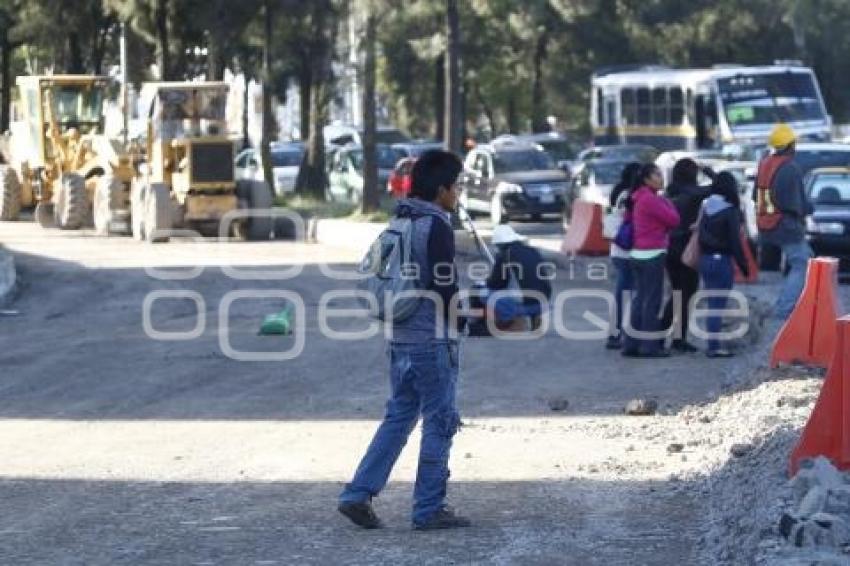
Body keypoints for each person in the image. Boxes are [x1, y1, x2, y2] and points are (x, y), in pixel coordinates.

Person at [338, 150, 470, 531]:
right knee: (440, 421)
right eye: (456, 186)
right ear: (442, 189)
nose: (458, 193)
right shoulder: (437, 226)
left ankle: (357, 493)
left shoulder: (402, 217)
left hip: (400, 336)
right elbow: (444, 285)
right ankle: (429, 508)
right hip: (432, 339)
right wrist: (463, 322)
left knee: (398, 417)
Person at [755, 123, 814, 318]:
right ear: (790, 145)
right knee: (802, 264)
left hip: (767, 224)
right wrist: (809, 210)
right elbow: (797, 204)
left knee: (808, 258)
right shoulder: (790, 168)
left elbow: (758, 195)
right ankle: (784, 309)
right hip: (785, 225)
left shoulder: (765, 163)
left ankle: (797, 302)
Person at [622, 163, 680, 358]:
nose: (661, 178)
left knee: (640, 300)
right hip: (653, 253)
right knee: (652, 302)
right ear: (646, 179)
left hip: (637, 253)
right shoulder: (651, 200)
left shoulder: (636, 197)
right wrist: (668, 202)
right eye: (657, 174)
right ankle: (649, 346)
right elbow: (674, 220)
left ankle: (631, 343)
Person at [698, 172, 750, 357]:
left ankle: (712, 343)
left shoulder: (706, 206)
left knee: (712, 303)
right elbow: (735, 242)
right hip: (722, 261)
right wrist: (744, 265)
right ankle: (714, 347)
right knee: (717, 305)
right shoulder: (731, 210)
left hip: (705, 260)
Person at [661, 158, 710, 353]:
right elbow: (722, 187)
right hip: (686, 247)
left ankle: (663, 335)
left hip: (668, 247)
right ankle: (674, 336)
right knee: (687, 293)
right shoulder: (693, 193)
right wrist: (709, 171)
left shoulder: (669, 192)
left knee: (676, 292)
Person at [484, 224, 552, 331]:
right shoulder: (532, 251)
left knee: (485, 294)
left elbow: (496, 284)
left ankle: (512, 320)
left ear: (500, 244)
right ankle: (535, 315)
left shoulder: (505, 255)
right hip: (544, 301)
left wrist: (486, 282)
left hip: (526, 304)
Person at [605, 162, 641, 349]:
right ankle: (619, 333)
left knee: (623, 293)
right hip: (628, 251)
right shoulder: (629, 196)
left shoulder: (619, 193)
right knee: (627, 294)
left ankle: (617, 333)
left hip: (618, 251)